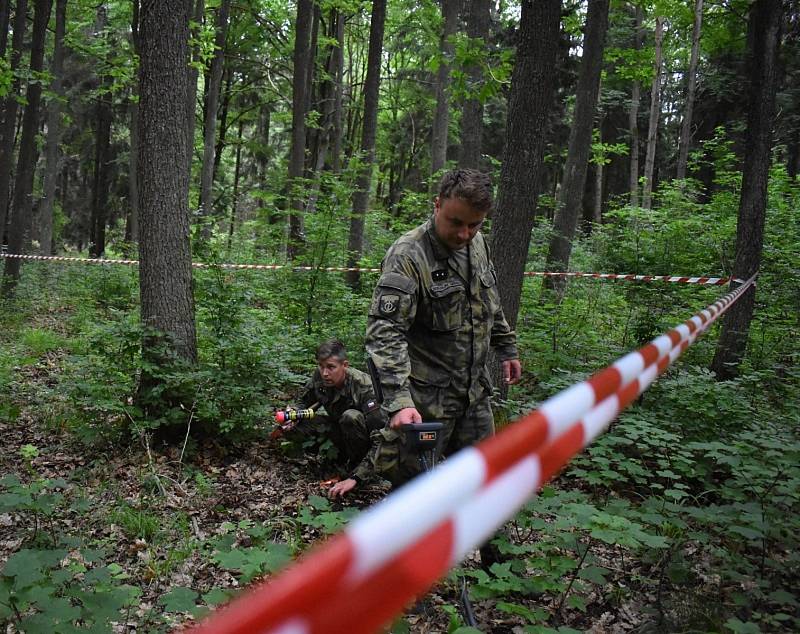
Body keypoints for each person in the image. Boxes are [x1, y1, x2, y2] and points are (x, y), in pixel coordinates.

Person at [365, 168, 522, 564]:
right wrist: (399, 401)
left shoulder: (478, 245)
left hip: (473, 396)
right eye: (455, 222)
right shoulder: (407, 256)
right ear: (436, 205)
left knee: (491, 483)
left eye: (474, 224)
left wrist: (506, 347)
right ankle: (403, 584)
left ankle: (499, 574)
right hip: (425, 405)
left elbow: (488, 303)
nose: (464, 234)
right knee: (415, 499)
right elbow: (385, 334)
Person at [280, 339, 387, 498]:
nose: (325, 373)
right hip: (338, 431)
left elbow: (381, 437)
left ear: (345, 365)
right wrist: (294, 413)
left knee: (351, 417)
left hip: (364, 440)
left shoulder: (364, 387)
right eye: (321, 366)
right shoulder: (320, 376)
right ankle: (335, 461)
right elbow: (303, 401)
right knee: (295, 425)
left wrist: (357, 477)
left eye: (331, 367)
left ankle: (357, 469)